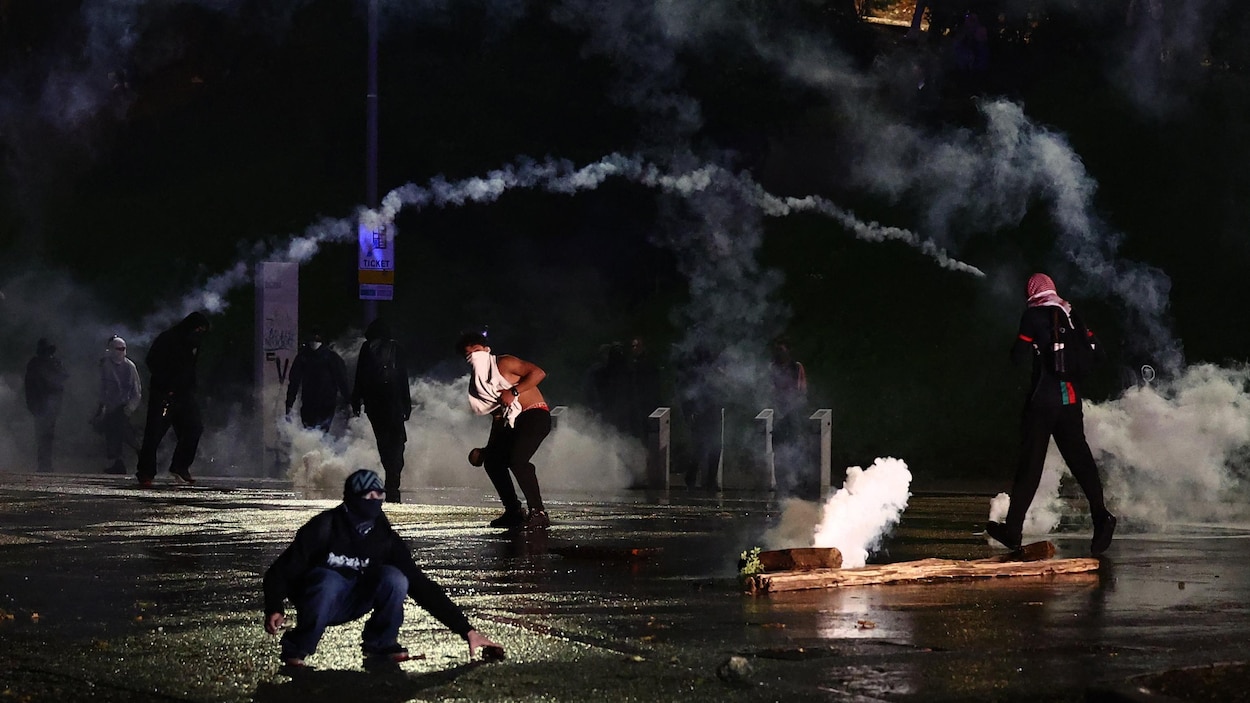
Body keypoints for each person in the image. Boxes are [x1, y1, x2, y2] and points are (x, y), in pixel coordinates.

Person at [262, 469, 504, 668]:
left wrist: (467, 631)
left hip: (355, 601)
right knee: (329, 580)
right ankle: (297, 647)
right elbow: (280, 572)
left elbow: (420, 585)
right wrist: (274, 607)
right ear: (351, 498)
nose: (375, 501)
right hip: (319, 601)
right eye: (368, 496)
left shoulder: (384, 537)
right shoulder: (324, 527)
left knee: (395, 578)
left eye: (380, 495)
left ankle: (380, 644)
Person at [987, 273, 1117, 555]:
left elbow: (1017, 357)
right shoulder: (1071, 313)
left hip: (1042, 402)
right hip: (1071, 402)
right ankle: (1102, 517)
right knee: (1081, 462)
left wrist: (1033, 347)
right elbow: (1100, 355)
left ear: (1031, 293)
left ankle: (1013, 529)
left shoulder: (1032, 317)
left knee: (1030, 465)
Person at [458, 331, 552, 529]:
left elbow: (538, 373)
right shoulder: (479, 386)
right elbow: (498, 418)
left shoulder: (504, 363)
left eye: (476, 351)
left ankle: (539, 512)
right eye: (468, 355)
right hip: (512, 423)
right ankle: (514, 511)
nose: (473, 357)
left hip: (534, 415)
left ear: (485, 349)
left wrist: (514, 391)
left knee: (517, 460)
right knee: (492, 461)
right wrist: (487, 449)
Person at [136, 311, 210, 487]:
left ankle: (180, 466)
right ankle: (145, 472)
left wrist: (192, 387)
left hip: (184, 394)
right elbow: (152, 361)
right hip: (163, 393)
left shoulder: (194, 343)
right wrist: (165, 384)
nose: (199, 333)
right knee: (155, 433)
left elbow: (190, 369)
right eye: (198, 329)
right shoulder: (168, 338)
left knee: (194, 428)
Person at [351, 319, 412, 503]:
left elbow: (360, 376)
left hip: (374, 403)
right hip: (393, 401)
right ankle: (394, 476)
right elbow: (403, 377)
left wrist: (356, 400)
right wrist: (406, 403)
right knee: (398, 439)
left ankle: (390, 471)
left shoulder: (366, 348)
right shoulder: (397, 348)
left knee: (383, 440)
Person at [285, 327, 350, 433]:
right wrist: (349, 402)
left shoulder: (303, 357)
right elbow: (342, 381)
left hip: (313, 403)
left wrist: (289, 404)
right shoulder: (331, 357)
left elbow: (294, 383)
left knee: (311, 432)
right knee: (321, 434)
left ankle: (313, 448)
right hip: (324, 403)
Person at [96, 335, 142, 475]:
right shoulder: (105, 365)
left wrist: (129, 408)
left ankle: (141, 455)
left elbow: (137, 390)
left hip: (124, 407)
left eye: (123, 349)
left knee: (127, 434)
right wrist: (102, 406)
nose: (121, 352)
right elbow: (102, 387)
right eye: (118, 349)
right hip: (111, 406)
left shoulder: (130, 366)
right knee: (112, 435)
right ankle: (118, 463)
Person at [24, 337, 68, 473]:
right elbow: (29, 386)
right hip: (39, 404)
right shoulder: (35, 364)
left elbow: (61, 382)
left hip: (50, 404)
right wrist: (31, 404)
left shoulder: (54, 363)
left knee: (47, 435)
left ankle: (46, 463)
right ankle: (43, 463)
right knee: (42, 435)